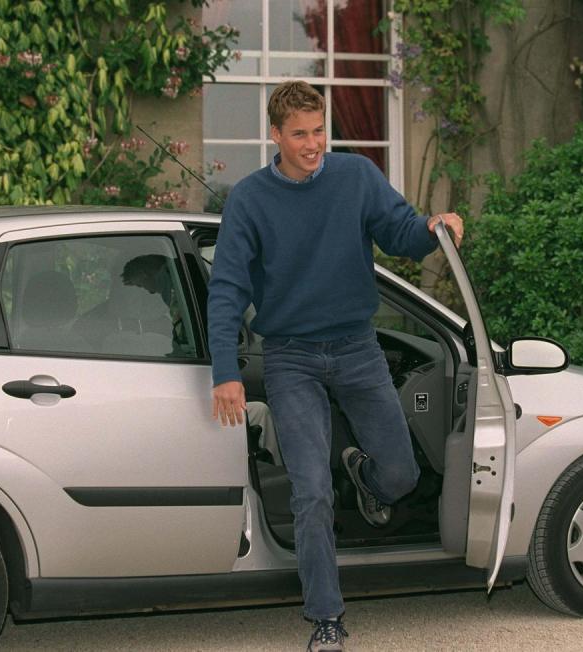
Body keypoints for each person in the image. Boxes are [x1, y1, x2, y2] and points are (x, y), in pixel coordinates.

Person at [207, 80, 463, 651]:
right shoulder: (250, 200)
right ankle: (327, 618)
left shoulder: (356, 178)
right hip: (291, 358)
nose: (313, 144)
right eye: (299, 134)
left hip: (356, 348)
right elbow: (226, 289)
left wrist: (430, 229)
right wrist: (226, 370)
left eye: (319, 130)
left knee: (403, 475)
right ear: (275, 136)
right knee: (311, 492)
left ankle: (365, 477)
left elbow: (400, 231)